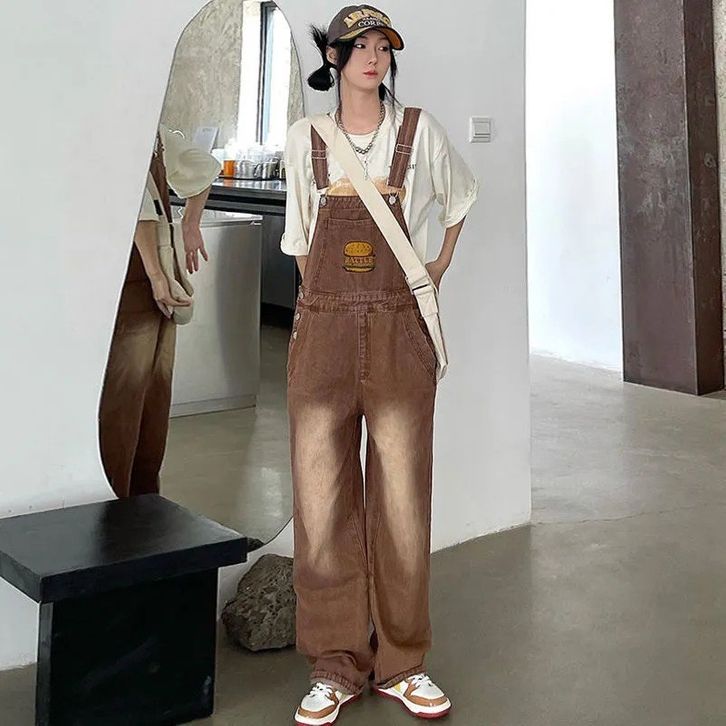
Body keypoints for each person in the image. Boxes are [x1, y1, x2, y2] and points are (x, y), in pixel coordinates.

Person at [281, 5, 479, 724]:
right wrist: (322, 308)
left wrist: (435, 269)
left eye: (383, 47)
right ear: (333, 59)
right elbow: (302, 243)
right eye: (358, 46)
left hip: (399, 334)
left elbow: (460, 199)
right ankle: (334, 665)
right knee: (322, 503)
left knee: (402, 502)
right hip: (323, 337)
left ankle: (403, 663)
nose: (373, 57)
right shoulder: (305, 138)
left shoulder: (418, 131)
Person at [98, 125, 221, 498]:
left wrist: (154, 275)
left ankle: (115, 502)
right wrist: (189, 223)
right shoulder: (156, 131)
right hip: (159, 278)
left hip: (128, 280)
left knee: (123, 399)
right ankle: (143, 500)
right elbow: (204, 167)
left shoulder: (119, 127)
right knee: (153, 393)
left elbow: (136, 205)